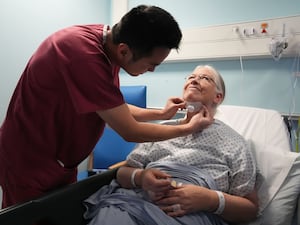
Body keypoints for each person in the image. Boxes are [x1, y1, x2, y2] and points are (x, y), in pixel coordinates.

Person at [0, 5, 213, 209]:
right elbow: (130, 130)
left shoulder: (106, 46)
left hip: (60, 162)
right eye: (151, 64)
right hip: (28, 160)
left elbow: (111, 107)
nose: (152, 71)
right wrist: (187, 129)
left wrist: (161, 114)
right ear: (124, 51)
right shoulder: (82, 54)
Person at [83, 65, 260, 225]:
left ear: (218, 97)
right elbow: (122, 174)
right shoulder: (162, 131)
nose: (194, 79)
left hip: (190, 215)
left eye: (205, 78)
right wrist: (141, 177)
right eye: (191, 76)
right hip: (134, 204)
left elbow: (250, 209)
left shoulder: (234, 142)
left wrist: (211, 200)